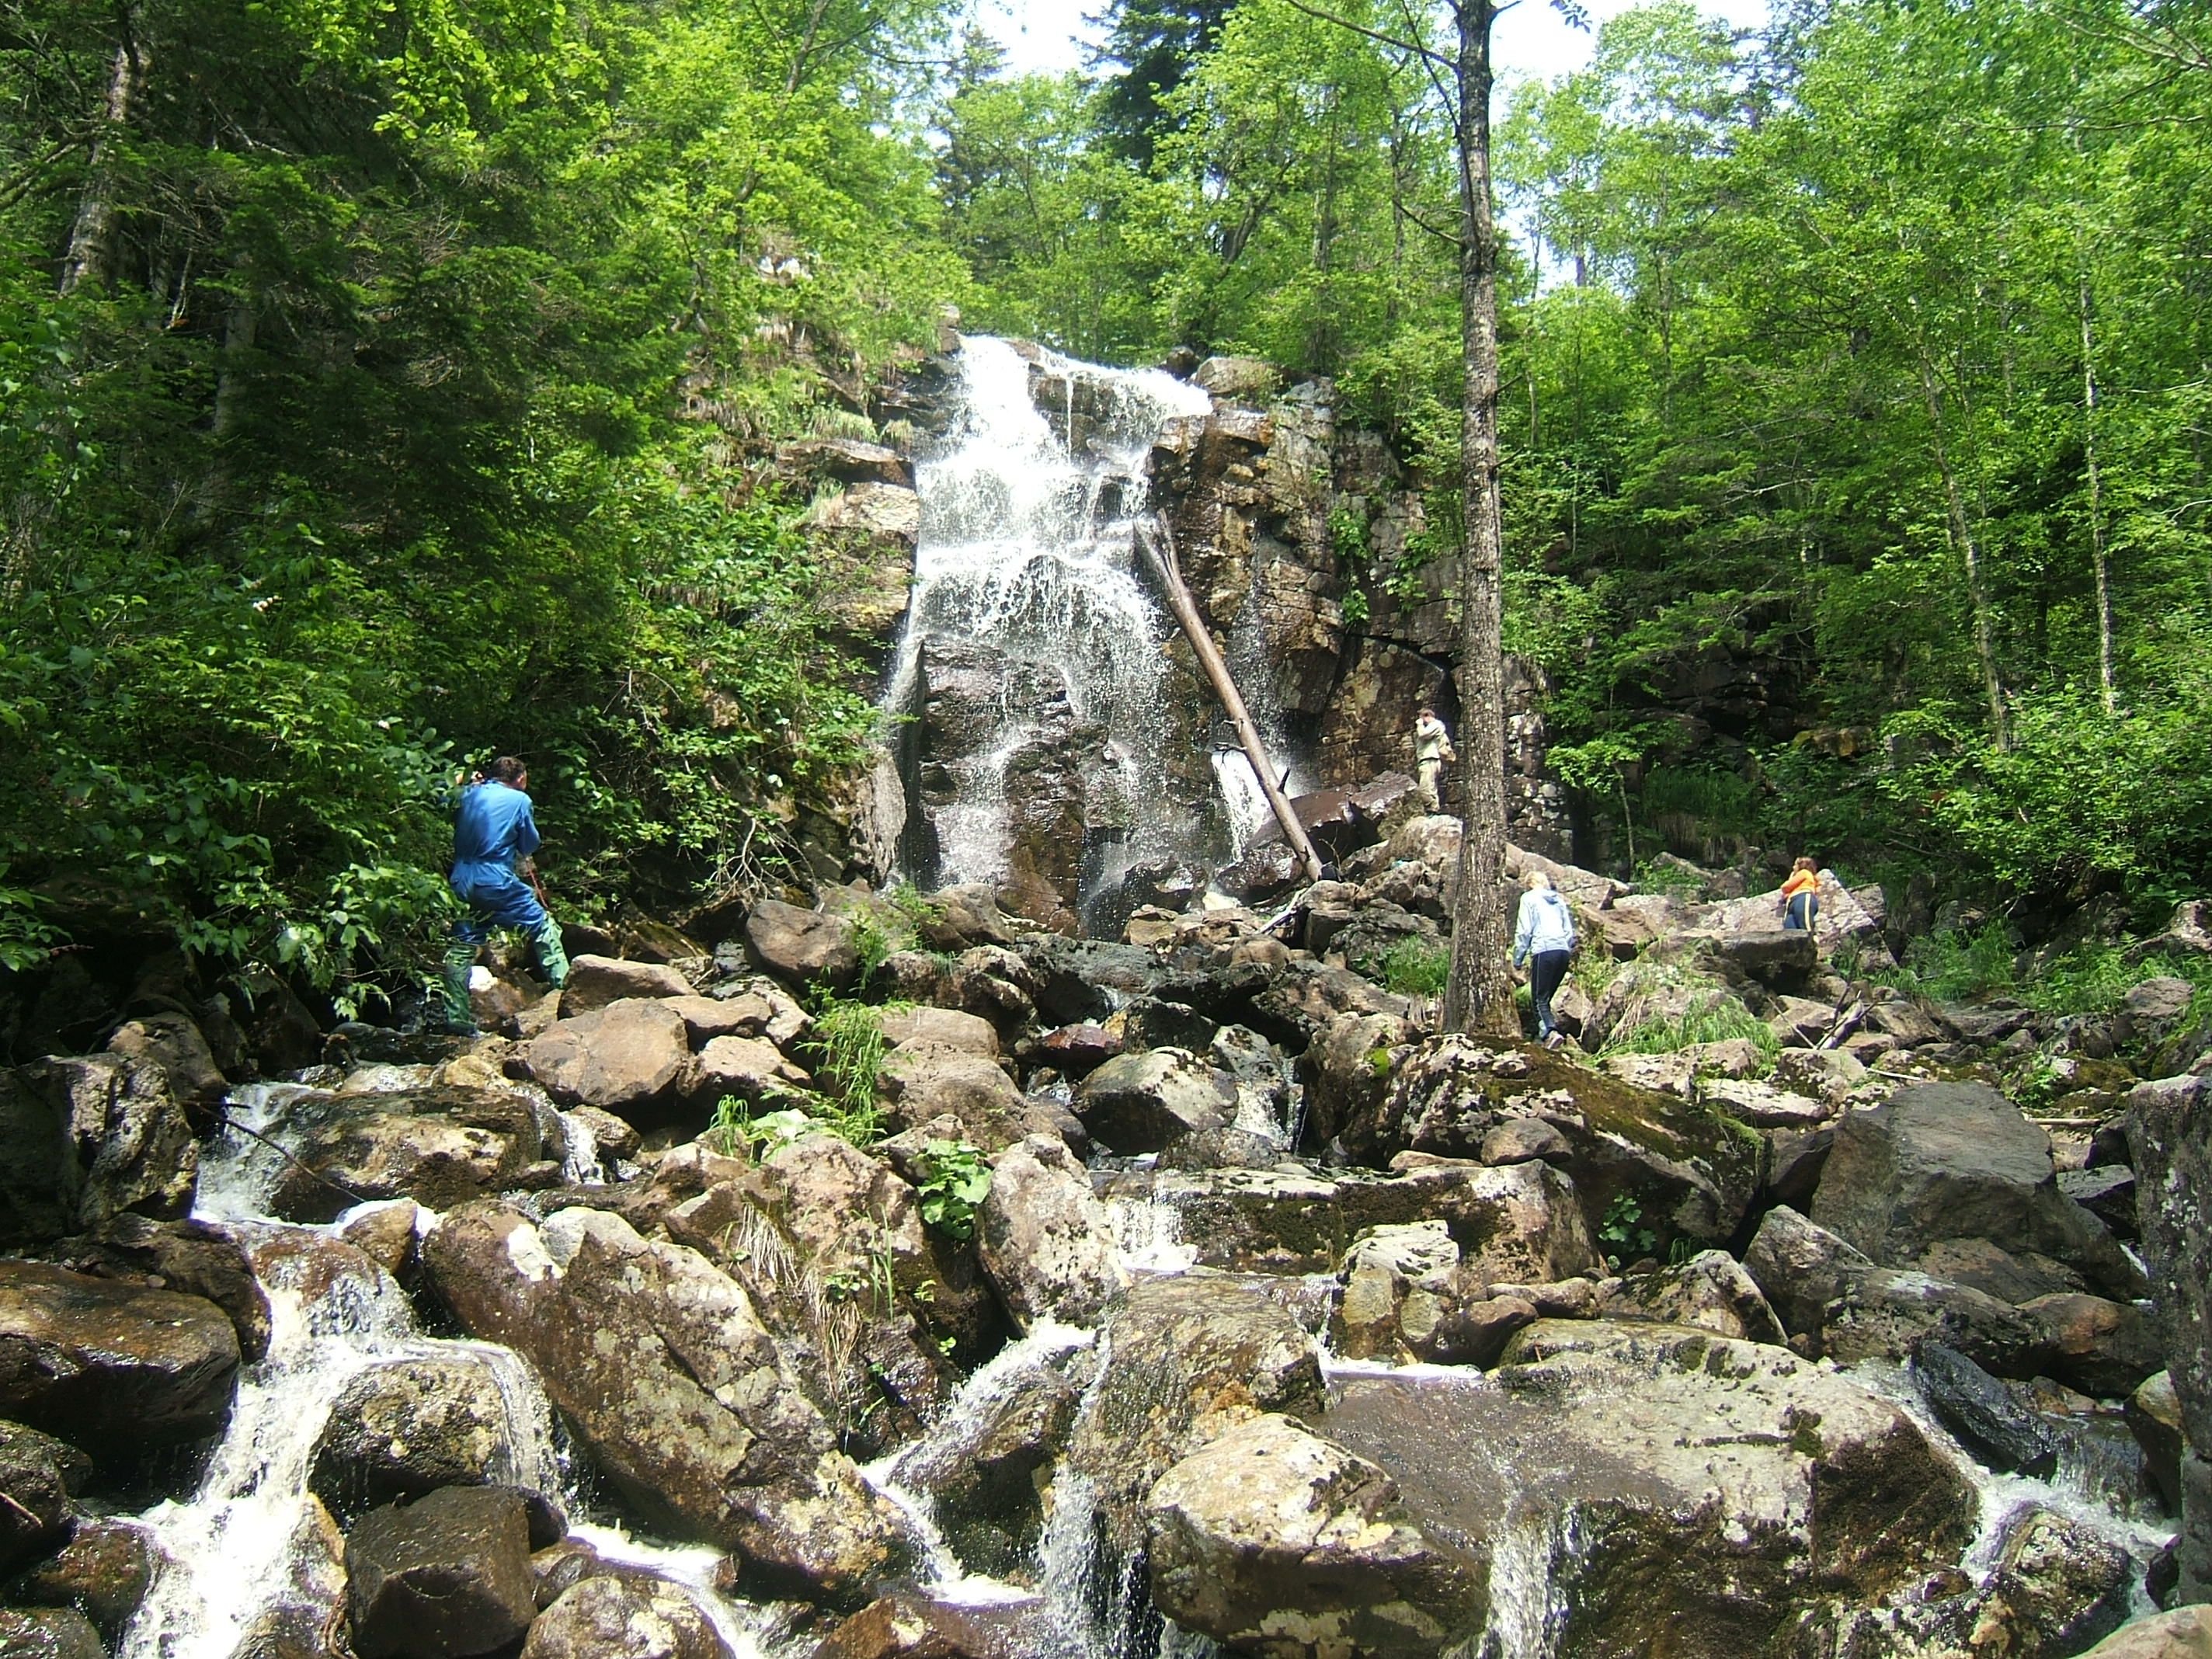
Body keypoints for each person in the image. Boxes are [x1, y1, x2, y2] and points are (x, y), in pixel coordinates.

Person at [439, 756, 569, 1035]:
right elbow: (529, 843)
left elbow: (440, 801)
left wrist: (459, 781)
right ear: (520, 779)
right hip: (495, 878)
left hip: (461, 878)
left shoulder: (467, 793)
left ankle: (457, 1019)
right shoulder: (520, 801)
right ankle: (567, 994)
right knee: (543, 926)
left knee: (462, 945)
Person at [1511, 869, 1577, 1048]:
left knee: (1538, 999)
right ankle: (1543, 1036)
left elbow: (1524, 930)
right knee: (1545, 998)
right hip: (1563, 952)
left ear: (1529, 884)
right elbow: (1569, 933)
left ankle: (1550, 1032)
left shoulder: (1528, 898)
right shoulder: (1558, 900)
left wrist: (1517, 958)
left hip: (1544, 950)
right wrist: (1564, 946)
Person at [1413, 706, 1454, 809]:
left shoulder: (1436, 724)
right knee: (1430, 788)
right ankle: (1433, 808)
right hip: (1425, 760)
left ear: (1427, 716)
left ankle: (1433, 809)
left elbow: (1423, 735)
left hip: (1430, 759)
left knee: (1425, 788)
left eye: (1421, 717)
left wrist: (1420, 724)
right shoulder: (1429, 727)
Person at [1779, 857, 1821, 933]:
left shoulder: (1804, 872)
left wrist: (1792, 876)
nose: (1793, 867)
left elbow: (1785, 887)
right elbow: (1786, 894)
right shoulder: (1800, 877)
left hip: (1802, 897)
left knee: (1805, 923)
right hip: (1791, 903)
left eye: (1795, 865)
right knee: (1790, 929)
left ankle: (1811, 940)